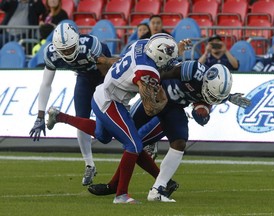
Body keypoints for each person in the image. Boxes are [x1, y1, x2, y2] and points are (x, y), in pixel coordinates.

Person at [44, 60, 250, 202]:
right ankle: (119, 185)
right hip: (154, 100)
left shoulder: (216, 90)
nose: (211, 99)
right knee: (120, 138)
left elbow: (203, 106)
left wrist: (202, 113)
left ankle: (157, 187)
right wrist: (150, 87)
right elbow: (166, 71)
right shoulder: (192, 70)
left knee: (176, 142)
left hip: (173, 109)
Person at [46, 33, 179, 204]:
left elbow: (120, 60)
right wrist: (164, 102)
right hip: (110, 102)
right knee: (134, 144)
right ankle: (121, 195)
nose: (169, 63)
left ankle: (59, 116)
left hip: (104, 92)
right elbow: (149, 109)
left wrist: (105, 61)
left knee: (104, 136)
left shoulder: (141, 45)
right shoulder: (147, 71)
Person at [29, 22, 113, 187]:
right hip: (83, 77)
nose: (67, 52)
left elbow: (110, 69)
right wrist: (40, 116)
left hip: (105, 76)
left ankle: (144, 140)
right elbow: (46, 84)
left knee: (109, 126)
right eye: (63, 50)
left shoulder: (90, 44)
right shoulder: (51, 53)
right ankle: (89, 164)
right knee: (81, 120)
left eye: (70, 48)